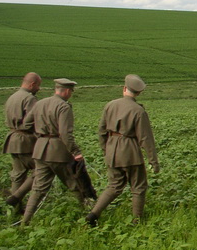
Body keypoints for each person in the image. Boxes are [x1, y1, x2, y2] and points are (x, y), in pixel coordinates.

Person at [85, 75, 160, 226]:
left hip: (112, 150)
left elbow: (101, 131)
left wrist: (106, 149)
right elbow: (145, 138)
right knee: (138, 186)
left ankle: (93, 214)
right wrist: (153, 161)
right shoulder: (138, 111)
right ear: (138, 93)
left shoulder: (110, 105)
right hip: (130, 152)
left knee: (114, 185)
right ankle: (136, 221)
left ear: (124, 88)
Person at [20, 78, 85, 225]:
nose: (71, 94)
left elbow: (26, 123)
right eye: (71, 91)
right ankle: (85, 212)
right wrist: (75, 152)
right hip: (58, 152)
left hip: (40, 150)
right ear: (67, 91)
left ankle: (25, 221)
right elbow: (65, 134)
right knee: (73, 182)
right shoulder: (64, 107)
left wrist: (40, 135)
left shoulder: (39, 103)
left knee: (38, 188)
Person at [2, 73, 42, 214]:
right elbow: (33, 121)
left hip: (12, 139)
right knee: (42, 170)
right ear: (32, 84)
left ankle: (15, 209)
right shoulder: (29, 99)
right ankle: (15, 199)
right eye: (38, 85)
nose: (39, 88)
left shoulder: (12, 97)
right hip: (25, 141)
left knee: (18, 175)